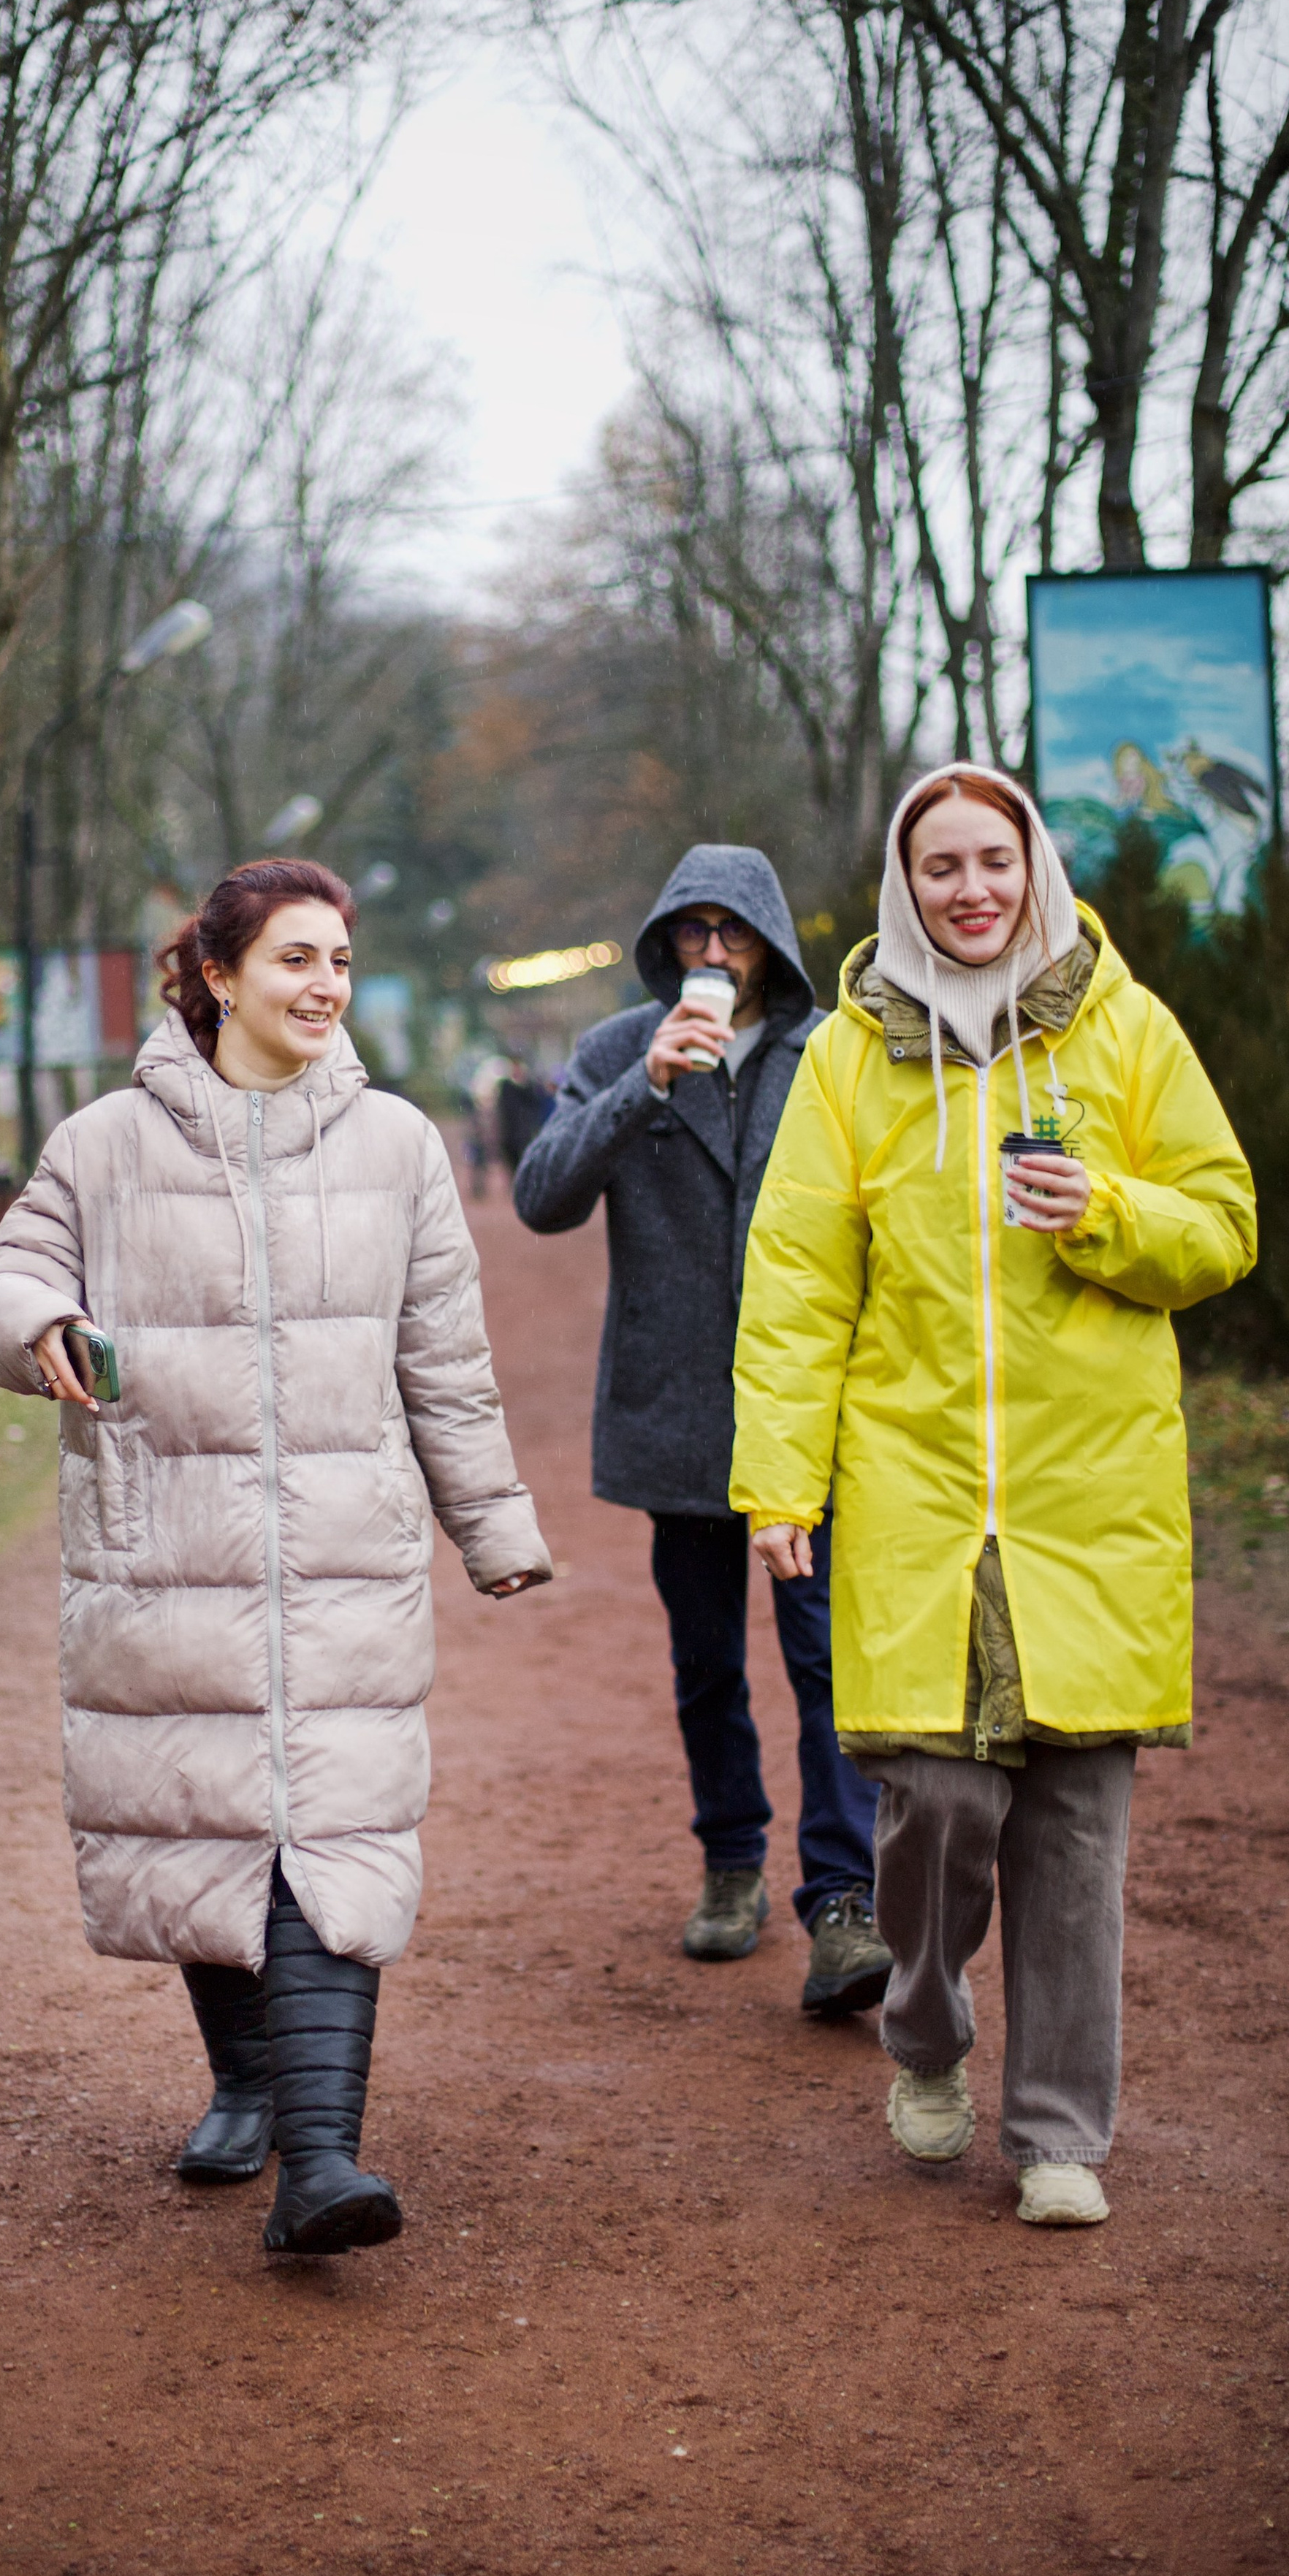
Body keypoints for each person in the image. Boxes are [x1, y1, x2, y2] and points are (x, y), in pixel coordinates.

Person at [0, 856, 550, 2258]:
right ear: (219, 975)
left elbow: (444, 1362)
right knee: (207, 1817)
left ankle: (322, 2162)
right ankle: (247, 2082)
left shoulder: (399, 1146)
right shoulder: (103, 1143)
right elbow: (1, 1283)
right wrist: (39, 1324)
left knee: (329, 1828)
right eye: (296, 958)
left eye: (339, 959)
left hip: (345, 1553)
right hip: (164, 1545)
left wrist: (493, 1525)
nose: (325, 984)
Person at [732, 764, 1255, 2225]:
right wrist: (779, 1485)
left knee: (1076, 1835)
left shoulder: (1125, 1028)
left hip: (1094, 1497)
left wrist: (1106, 1209)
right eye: (941, 867)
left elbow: (1222, 1226)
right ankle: (923, 2029)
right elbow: (795, 1287)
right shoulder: (850, 1058)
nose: (972, 889)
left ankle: (1057, 2137)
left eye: (993, 861)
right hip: (913, 1489)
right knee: (937, 1805)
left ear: (1034, 871)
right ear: (905, 888)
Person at [513, 847, 889, 2018]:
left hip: (810, 1414)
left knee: (828, 1661)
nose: (713, 953)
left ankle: (844, 1898)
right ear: (667, 939)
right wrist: (647, 1084)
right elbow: (541, 1197)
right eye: (694, 931)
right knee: (708, 1660)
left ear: (771, 941)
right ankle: (732, 1858)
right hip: (676, 1412)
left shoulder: (833, 1050)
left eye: (735, 932)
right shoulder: (617, 1049)